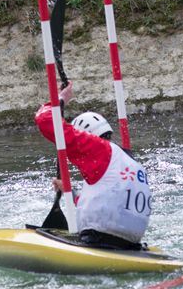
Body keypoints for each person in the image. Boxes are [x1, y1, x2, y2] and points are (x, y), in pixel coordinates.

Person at [34, 81, 152, 249]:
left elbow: (45, 120)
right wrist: (69, 191)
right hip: (130, 244)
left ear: (87, 136)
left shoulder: (98, 149)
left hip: (100, 239)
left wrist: (61, 99)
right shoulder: (130, 161)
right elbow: (108, 202)